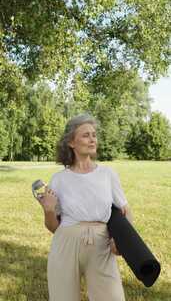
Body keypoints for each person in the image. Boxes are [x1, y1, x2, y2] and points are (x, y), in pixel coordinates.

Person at [38, 113, 133, 301]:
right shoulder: (59, 179)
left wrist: (122, 240)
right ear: (71, 142)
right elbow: (53, 227)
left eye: (94, 135)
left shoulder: (108, 175)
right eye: (86, 135)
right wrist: (48, 210)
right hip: (65, 243)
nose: (92, 139)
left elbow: (126, 210)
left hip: (101, 243)